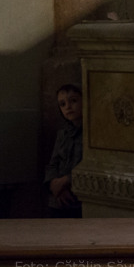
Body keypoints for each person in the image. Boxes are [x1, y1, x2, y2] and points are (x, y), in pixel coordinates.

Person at [44, 84, 83, 218]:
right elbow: (53, 163)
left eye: (73, 101)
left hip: (79, 196)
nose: (68, 107)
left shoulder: (91, 135)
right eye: (62, 104)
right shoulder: (62, 134)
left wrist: (66, 180)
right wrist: (54, 185)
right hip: (58, 198)